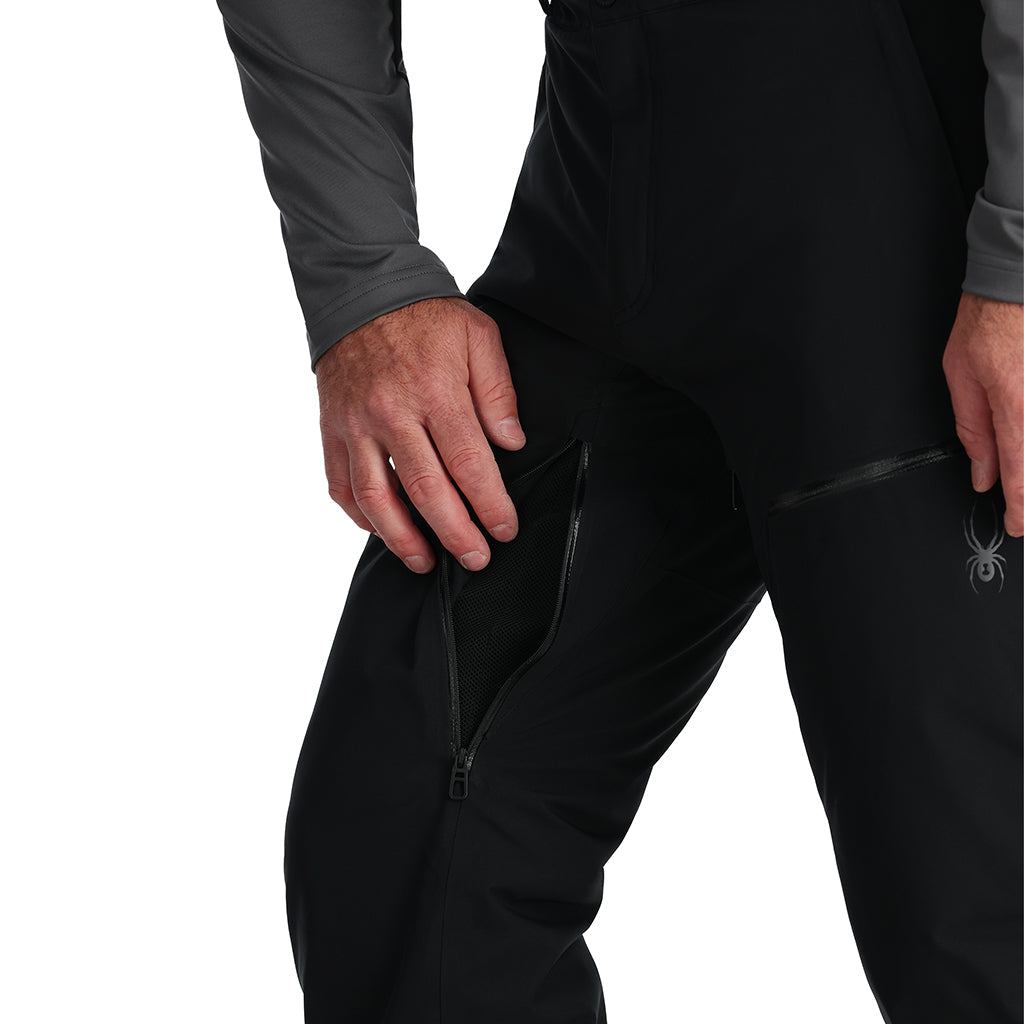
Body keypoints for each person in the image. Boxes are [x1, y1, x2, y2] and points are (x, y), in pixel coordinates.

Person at [215, 0, 1023, 1020]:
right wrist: (365, 280)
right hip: (604, 187)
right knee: (411, 852)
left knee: (983, 913)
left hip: (925, 216)